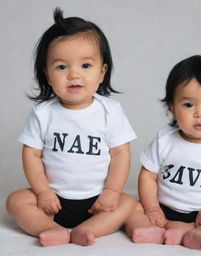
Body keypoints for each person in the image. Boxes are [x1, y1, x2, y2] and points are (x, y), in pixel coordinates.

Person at [6, 8, 137, 247]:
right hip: (53, 201)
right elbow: (32, 154)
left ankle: (89, 229)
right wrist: (43, 191)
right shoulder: (43, 113)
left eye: (86, 66)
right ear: (46, 74)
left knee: (128, 203)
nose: (74, 74)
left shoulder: (111, 111)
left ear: (102, 72)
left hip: (97, 201)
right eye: (62, 67)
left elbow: (120, 154)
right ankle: (49, 227)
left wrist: (111, 192)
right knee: (16, 200)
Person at [125, 55, 201, 250]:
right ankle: (152, 229)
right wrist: (152, 208)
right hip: (164, 210)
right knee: (131, 206)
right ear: (172, 108)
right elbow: (148, 176)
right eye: (188, 105)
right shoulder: (164, 141)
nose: (200, 113)